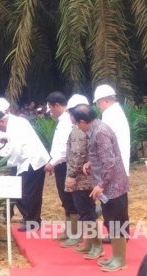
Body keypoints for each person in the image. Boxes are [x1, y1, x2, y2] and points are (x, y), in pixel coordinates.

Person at [73, 104, 129, 272]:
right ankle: (116, 256)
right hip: (110, 186)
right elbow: (104, 155)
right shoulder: (97, 129)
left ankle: (120, 259)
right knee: (111, 221)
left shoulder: (100, 132)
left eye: (77, 123)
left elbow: (110, 162)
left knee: (116, 222)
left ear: (83, 121)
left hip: (113, 187)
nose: (77, 126)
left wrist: (100, 185)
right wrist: (92, 162)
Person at [0, 110, 50, 232]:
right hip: (29, 161)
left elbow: (16, 150)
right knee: (30, 193)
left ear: (1, 121)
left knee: (26, 193)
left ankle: (32, 222)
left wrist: (8, 165)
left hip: (32, 161)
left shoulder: (14, 126)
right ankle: (33, 221)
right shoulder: (16, 122)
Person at [92, 84, 130, 243]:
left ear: (105, 101)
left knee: (113, 204)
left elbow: (104, 144)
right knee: (117, 203)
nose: (98, 106)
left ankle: (118, 236)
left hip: (112, 164)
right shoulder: (114, 112)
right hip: (116, 163)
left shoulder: (110, 115)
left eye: (98, 103)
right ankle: (121, 234)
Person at [64, 95, 101, 258]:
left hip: (81, 179)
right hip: (84, 177)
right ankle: (89, 243)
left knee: (86, 213)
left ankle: (96, 246)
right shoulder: (82, 127)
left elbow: (78, 154)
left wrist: (71, 175)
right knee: (86, 212)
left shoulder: (79, 129)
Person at [44, 92, 79, 242]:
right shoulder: (62, 120)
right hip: (60, 164)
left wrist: (52, 162)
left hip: (65, 164)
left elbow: (66, 148)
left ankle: (75, 233)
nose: (51, 113)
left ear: (57, 105)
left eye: (51, 109)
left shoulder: (66, 121)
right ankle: (70, 230)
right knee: (65, 198)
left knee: (70, 198)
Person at [0, 98, 18, 224]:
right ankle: (7, 214)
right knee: (7, 189)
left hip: (16, 160)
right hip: (4, 161)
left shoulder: (17, 124)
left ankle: (26, 215)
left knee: (18, 189)